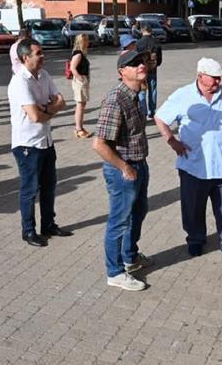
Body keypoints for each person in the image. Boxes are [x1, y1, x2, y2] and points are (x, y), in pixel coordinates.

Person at [155, 58, 222, 260]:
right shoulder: (183, 95)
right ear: (200, 76)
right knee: (193, 208)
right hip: (193, 165)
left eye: (219, 78)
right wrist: (172, 141)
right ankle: (196, 239)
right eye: (214, 79)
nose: (218, 83)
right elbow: (160, 117)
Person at [92, 49, 152, 292]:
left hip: (139, 165)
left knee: (138, 213)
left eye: (142, 61)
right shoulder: (116, 99)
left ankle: (130, 256)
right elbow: (99, 144)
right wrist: (124, 167)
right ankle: (115, 272)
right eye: (134, 63)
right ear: (122, 72)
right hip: (123, 170)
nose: (141, 65)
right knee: (119, 221)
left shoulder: (136, 95)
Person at [8, 39, 73, 247]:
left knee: (49, 186)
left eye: (42, 52)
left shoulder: (43, 75)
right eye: (38, 53)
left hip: (46, 141)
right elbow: (34, 116)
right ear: (25, 57)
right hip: (27, 145)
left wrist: (46, 108)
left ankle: (48, 225)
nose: (43, 56)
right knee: (30, 190)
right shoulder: (20, 82)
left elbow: (61, 100)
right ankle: (28, 231)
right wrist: (47, 109)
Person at [135, 26, 162, 119]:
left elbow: (135, 58)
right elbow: (159, 60)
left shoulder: (138, 43)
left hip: (141, 70)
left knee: (142, 91)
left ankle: (143, 112)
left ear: (142, 31)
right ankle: (152, 111)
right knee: (153, 90)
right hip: (152, 69)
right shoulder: (156, 42)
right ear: (151, 31)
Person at [69, 33, 92, 138]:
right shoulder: (78, 54)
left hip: (82, 80)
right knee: (80, 105)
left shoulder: (81, 53)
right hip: (80, 81)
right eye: (86, 40)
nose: (88, 42)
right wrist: (80, 78)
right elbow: (72, 67)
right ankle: (78, 128)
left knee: (82, 105)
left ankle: (80, 127)